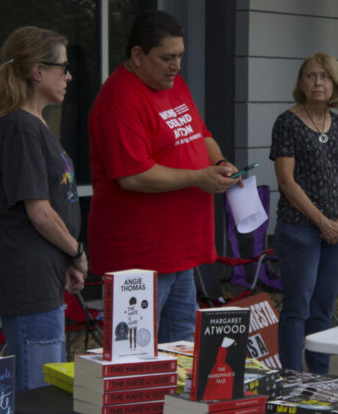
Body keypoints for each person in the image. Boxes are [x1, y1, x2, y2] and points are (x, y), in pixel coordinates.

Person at [88, 10, 240, 343]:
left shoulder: (174, 85)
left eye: (180, 56)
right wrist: (199, 177)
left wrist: (221, 163)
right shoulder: (120, 99)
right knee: (136, 352)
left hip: (180, 249)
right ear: (138, 55)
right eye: (167, 57)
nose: (176, 65)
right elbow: (133, 176)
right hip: (139, 256)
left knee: (182, 346)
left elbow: (201, 134)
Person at [0, 26, 86, 414]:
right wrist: (76, 251)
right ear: (38, 71)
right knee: (36, 403)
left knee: (41, 396)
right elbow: (39, 211)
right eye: (63, 67)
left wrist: (63, 262)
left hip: (41, 275)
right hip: (27, 281)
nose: (69, 76)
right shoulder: (21, 128)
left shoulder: (34, 124)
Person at [270, 53, 338, 374]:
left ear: (335, 83)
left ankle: (320, 380)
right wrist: (322, 222)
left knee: (323, 310)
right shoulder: (287, 123)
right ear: (300, 82)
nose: (318, 82)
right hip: (300, 231)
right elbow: (286, 182)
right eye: (311, 76)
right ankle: (291, 380)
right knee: (297, 309)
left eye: (325, 76)